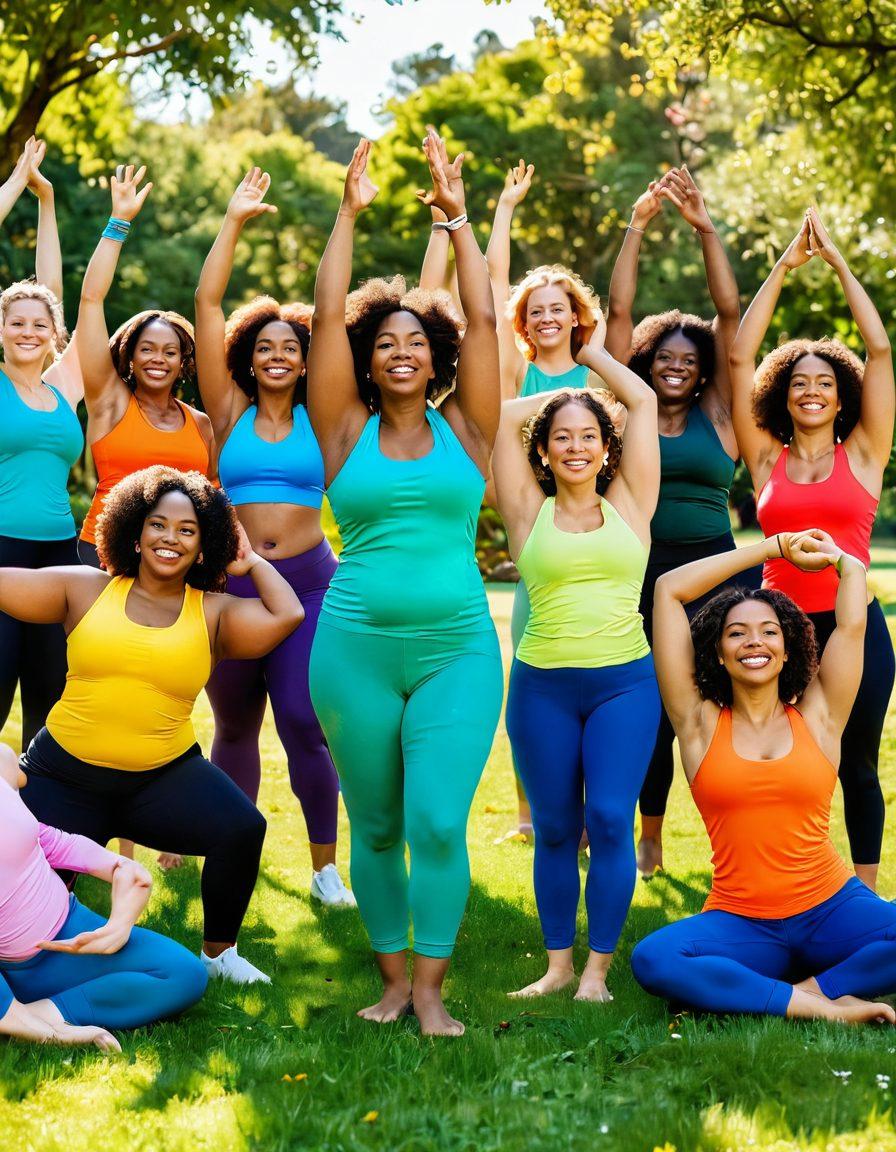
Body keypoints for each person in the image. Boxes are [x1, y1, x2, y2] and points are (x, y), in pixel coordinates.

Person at [307, 133, 503, 1036]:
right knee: (375, 823)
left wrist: (459, 219)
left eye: (414, 343)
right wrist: (346, 216)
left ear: (435, 358)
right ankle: (392, 982)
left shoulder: (471, 422)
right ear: (367, 355)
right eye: (383, 342)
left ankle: (431, 991)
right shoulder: (341, 427)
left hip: (457, 646)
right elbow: (320, 319)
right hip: (353, 652)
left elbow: (488, 320)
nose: (399, 353)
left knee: (433, 819)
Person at [6, 466, 304, 985]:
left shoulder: (214, 613)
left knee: (242, 828)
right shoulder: (86, 589)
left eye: (187, 530)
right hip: (64, 777)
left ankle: (220, 954)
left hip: (161, 779)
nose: (170, 538)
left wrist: (250, 560)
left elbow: (288, 614)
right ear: (135, 532)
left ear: (204, 543)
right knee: (24, 908)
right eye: (158, 525)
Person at [631, 530, 896, 1024]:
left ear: (789, 647)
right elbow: (668, 589)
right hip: (742, 919)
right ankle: (826, 1009)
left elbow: (854, 623)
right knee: (653, 959)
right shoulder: (698, 723)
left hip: (832, 906)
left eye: (770, 631)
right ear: (717, 652)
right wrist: (771, 549)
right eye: (737, 632)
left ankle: (809, 992)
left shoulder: (820, 716)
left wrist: (841, 560)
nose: (755, 641)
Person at [492, 315, 661, 1002]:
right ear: (545, 451)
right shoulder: (527, 510)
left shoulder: (630, 502)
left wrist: (589, 362)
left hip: (625, 684)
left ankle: (597, 972)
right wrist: (558, 399)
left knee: (612, 818)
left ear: (606, 447)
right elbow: (499, 418)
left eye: (588, 436)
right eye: (561, 438)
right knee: (556, 826)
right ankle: (558, 966)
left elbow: (643, 401)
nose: (574, 446)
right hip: (542, 691)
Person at [195, 168, 351, 906]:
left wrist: (345, 216)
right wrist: (232, 222)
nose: (279, 354)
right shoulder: (224, 409)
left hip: (310, 582)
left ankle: (325, 868)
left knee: (301, 719)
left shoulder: (324, 415)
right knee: (233, 724)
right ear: (248, 357)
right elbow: (207, 303)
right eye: (266, 346)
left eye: (292, 345)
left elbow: (331, 307)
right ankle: (233, 859)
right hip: (229, 584)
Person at [730, 207, 895, 891]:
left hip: (855, 627)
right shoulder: (764, 457)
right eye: (798, 381)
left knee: (856, 762)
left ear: (841, 394)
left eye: (824, 381)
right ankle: (784, 880)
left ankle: (863, 894)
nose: (811, 389)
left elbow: (881, 351)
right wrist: (783, 267)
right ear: (783, 393)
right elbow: (739, 355)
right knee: (781, 762)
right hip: (779, 627)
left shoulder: (863, 452)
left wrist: (836, 262)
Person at [605, 164, 748, 879]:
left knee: (726, 704)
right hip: (641, 570)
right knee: (652, 715)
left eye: (690, 361)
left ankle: (735, 836)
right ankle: (650, 836)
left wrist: (704, 228)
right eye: (666, 357)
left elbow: (729, 315)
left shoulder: (720, 413)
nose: (678, 367)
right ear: (648, 364)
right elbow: (618, 317)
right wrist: (635, 227)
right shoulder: (627, 412)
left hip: (717, 569)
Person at [487, 158, 603, 840]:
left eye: (559, 307)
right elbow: (496, 284)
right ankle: (533, 815)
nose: (548, 316)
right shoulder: (516, 364)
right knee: (530, 665)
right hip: (535, 530)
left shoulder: (597, 367)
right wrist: (504, 210)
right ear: (526, 323)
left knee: (593, 663)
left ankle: (586, 812)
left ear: (575, 315)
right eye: (538, 311)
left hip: (591, 528)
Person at [0, 744, 207, 1051]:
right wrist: (20, 1018)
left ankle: (45, 1010)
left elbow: (44, 839)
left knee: (185, 974)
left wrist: (119, 920)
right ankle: (22, 1015)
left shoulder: (3, 761)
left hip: (73, 928)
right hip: (13, 971)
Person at [77, 164, 214, 569]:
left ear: (183, 362)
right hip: (103, 557)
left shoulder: (200, 424)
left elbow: (212, 501)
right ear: (130, 358)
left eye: (170, 352)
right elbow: (90, 301)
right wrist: (118, 223)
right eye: (148, 349)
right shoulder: (110, 401)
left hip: (174, 564)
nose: (159, 359)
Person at [0, 138, 84, 750]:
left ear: (54, 334)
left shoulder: (65, 386)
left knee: (50, 706)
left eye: (39, 323)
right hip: (1, 553)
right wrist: (15, 184)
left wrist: (48, 203)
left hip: (61, 557)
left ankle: (41, 838)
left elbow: (53, 286)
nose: (28, 331)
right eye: (14, 321)